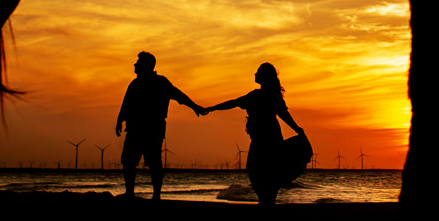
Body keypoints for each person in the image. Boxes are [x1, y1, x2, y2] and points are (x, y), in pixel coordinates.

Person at [206, 62, 306, 205]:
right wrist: (213, 108)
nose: (255, 74)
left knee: (260, 170)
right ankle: (266, 202)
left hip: (267, 139)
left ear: (264, 76)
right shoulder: (260, 95)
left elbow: (283, 114)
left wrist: (297, 129)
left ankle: (266, 202)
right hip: (267, 138)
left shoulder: (262, 96)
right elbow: (234, 103)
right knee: (263, 171)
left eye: (258, 72)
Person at [115, 51, 206, 199]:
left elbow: (179, 96)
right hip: (134, 128)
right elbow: (126, 104)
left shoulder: (161, 82)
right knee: (128, 161)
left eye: (138, 63)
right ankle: (130, 193)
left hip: (153, 128)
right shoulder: (134, 84)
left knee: (154, 162)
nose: (135, 65)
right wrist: (120, 120)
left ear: (146, 65)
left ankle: (156, 195)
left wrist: (195, 107)